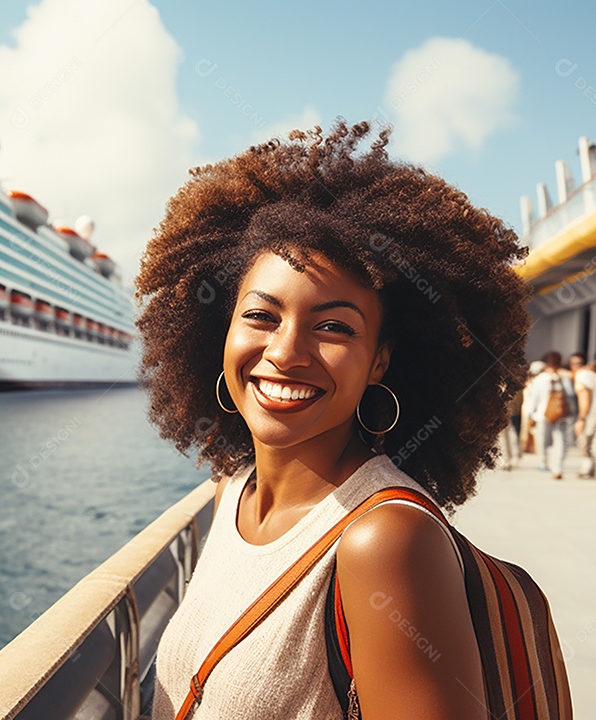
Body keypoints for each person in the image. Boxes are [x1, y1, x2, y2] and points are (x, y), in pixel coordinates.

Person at [137, 122, 531, 719]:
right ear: (221, 333)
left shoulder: (387, 540)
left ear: (380, 362)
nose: (286, 352)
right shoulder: (232, 492)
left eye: (334, 327)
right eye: (262, 316)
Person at [526, 351, 578, 479]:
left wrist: (531, 413)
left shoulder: (540, 379)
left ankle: (544, 462)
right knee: (561, 441)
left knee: (543, 440)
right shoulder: (564, 378)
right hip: (562, 415)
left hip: (543, 414)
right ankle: (558, 467)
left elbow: (534, 398)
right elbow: (571, 396)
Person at [569, 353, 596, 478]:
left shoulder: (581, 377)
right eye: (573, 364)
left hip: (589, 415)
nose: (575, 366)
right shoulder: (591, 375)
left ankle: (587, 468)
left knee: (585, 442)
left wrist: (581, 418)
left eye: (578, 364)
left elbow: (584, 398)